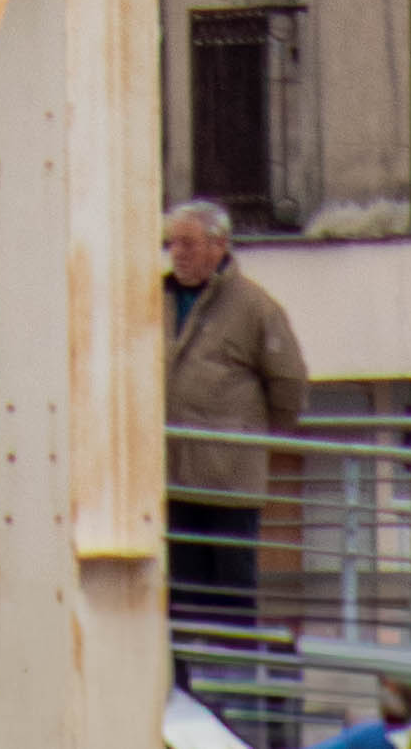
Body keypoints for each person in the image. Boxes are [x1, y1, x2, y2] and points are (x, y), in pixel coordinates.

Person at [161, 195, 305, 701]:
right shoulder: (155, 298)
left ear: (218, 246)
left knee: (229, 599)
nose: (176, 253)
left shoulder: (252, 307)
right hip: (170, 478)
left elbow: (288, 383)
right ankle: (183, 695)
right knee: (176, 597)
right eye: (171, 242)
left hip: (228, 482)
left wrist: (255, 442)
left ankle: (237, 699)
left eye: (187, 242)